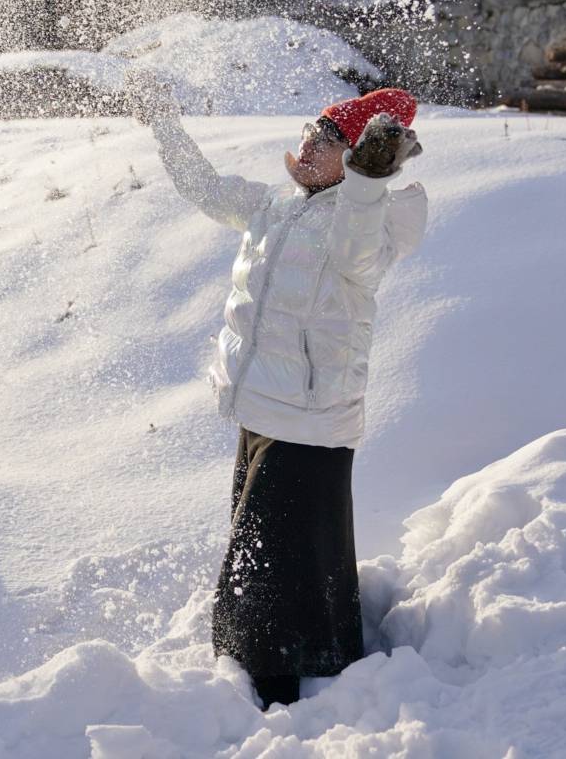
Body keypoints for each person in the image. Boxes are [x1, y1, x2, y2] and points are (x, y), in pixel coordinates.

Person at [123, 69, 428, 711]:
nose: (306, 147)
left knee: (267, 563)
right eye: (307, 133)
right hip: (262, 407)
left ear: (352, 160)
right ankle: (311, 663)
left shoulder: (366, 225)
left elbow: (355, 250)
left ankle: (266, 692)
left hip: (313, 420)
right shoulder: (274, 206)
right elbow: (203, 188)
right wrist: (164, 123)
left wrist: (371, 183)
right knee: (281, 551)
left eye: (322, 140)